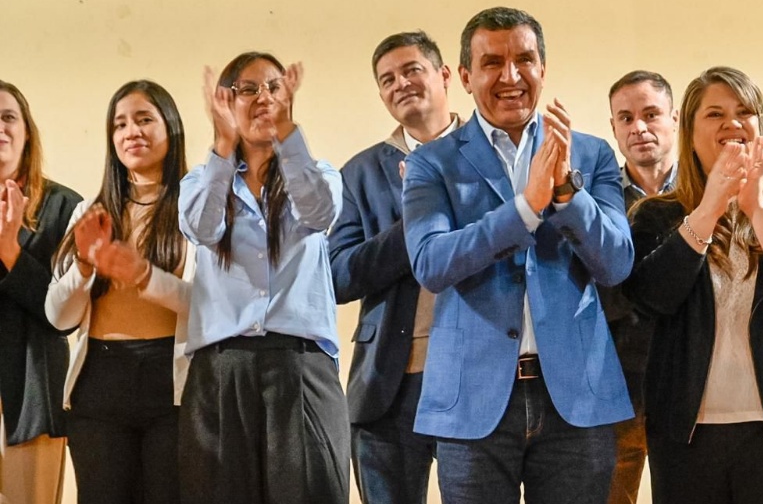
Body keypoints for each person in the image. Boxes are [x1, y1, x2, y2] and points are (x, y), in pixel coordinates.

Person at [401, 6, 634, 504]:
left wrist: (567, 192)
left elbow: (616, 264)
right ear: (466, 77)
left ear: (543, 69)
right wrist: (526, 209)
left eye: (524, 60)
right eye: (492, 63)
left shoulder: (590, 153)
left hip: (577, 397)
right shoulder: (431, 163)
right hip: (473, 401)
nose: (510, 76)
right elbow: (431, 264)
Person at [623, 66, 763, 504]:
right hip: (686, 435)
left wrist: (758, 208)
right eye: (714, 114)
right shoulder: (656, 215)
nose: (731, 123)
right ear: (690, 133)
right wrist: (709, 209)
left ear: (762, 126)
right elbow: (651, 297)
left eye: (744, 112)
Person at [178, 52, 348, 504]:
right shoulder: (200, 180)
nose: (263, 98)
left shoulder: (319, 173)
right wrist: (222, 145)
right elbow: (202, 229)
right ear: (225, 102)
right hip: (221, 368)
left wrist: (288, 135)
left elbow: (319, 212)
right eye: (248, 89)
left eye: (274, 87)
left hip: (300, 364)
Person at [329, 30, 460, 504]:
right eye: (387, 79)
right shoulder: (360, 171)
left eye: (411, 70)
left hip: (474, 378)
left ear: (445, 75)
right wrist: (416, 223)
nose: (400, 84)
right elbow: (338, 276)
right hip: (386, 380)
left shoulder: (485, 155)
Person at [46, 80, 191, 504]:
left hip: (173, 382)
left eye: (145, 119)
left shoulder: (195, 209)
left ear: (171, 128)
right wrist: (84, 265)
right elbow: (58, 317)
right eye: (120, 124)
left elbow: (208, 306)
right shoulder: (90, 211)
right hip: (100, 381)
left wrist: (143, 275)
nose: (132, 132)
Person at [0, 80, 80, 504]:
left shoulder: (65, 207)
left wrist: (10, 250)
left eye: (8, 117)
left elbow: (65, 316)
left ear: (26, 131)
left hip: (32, 392)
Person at [600, 69, 678, 504]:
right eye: (626, 118)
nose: (639, 128)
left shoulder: (704, 192)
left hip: (689, 383)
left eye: (651, 114)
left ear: (675, 119)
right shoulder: (598, 198)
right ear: (613, 127)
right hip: (617, 384)